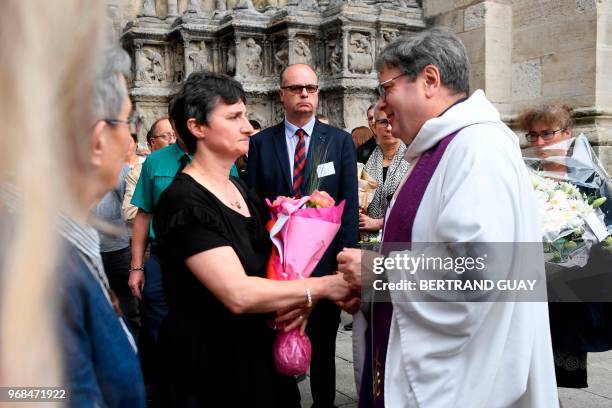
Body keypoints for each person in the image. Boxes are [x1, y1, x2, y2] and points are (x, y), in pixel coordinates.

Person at [337, 28, 558, 407]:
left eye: (386, 87)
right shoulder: (439, 147)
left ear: (429, 80)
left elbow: (477, 271)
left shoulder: (477, 148)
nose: (382, 105)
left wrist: (379, 272)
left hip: (461, 381)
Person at [153, 71, 351, 407]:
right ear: (197, 127)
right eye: (234, 117)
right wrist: (323, 287)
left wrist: (294, 302)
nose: (247, 126)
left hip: (258, 356)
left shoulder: (241, 189)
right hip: (214, 366)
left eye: (245, 115)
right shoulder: (184, 202)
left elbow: (268, 266)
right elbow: (238, 293)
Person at [247, 63, 358, 408]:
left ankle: (324, 403)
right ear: (282, 94)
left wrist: (345, 267)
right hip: (278, 267)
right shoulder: (261, 143)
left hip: (325, 267)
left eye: (310, 87)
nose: (304, 94)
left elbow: (348, 205)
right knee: (280, 341)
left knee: (323, 346)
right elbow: (253, 204)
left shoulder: (338, 141)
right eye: (296, 88)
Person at [518, 104, 612, 391]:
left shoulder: (590, 179)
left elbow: (605, 232)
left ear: (568, 133)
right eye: (532, 136)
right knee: (525, 370)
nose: (540, 143)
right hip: (527, 286)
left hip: (569, 292)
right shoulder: (526, 175)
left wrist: (568, 254)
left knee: (556, 372)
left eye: (547, 134)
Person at [359, 107, 409, 241]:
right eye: (383, 122)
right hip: (366, 239)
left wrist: (379, 223)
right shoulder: (363, 157)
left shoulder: (413, 159)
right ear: (374, 128)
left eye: (394, 122)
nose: (389, 128)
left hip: (401, 242)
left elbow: (415, 208)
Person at [122, 117, 175, 226]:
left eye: (175, 135)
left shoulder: (189, 165)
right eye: (166, 136)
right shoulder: (138, 172)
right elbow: (130, 213)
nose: (172, 141)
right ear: (152, 142)